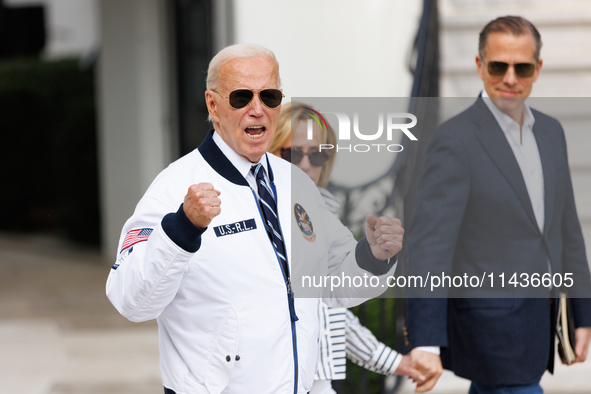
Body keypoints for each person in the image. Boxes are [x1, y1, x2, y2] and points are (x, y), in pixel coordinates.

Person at [106, 44, 404, 394]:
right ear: (213, 105)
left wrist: (373, 257)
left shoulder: (296, 184)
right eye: (241, 97)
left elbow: (334, 285)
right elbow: (130, 300)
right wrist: (183, 228)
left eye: (270, 96)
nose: (257, 110)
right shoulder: (173, 187)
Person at [404, 16, 591, 393]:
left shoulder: (552, 133)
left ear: (537, 69)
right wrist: (425, 341)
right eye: (497, 66)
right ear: (479, 66)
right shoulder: (454, 141)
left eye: (521, 67)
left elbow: (567, 228)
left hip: (541, 325)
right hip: (489, 332)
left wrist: (583, 314)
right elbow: (429, 248)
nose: (509, 78)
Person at [270, 102, 423, 394]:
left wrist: (390, 361)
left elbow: (329, 306)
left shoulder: (322, 210)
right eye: (291, 153)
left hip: (317, 377)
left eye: (317, 153)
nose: (305, 164)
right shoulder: (256, 213)